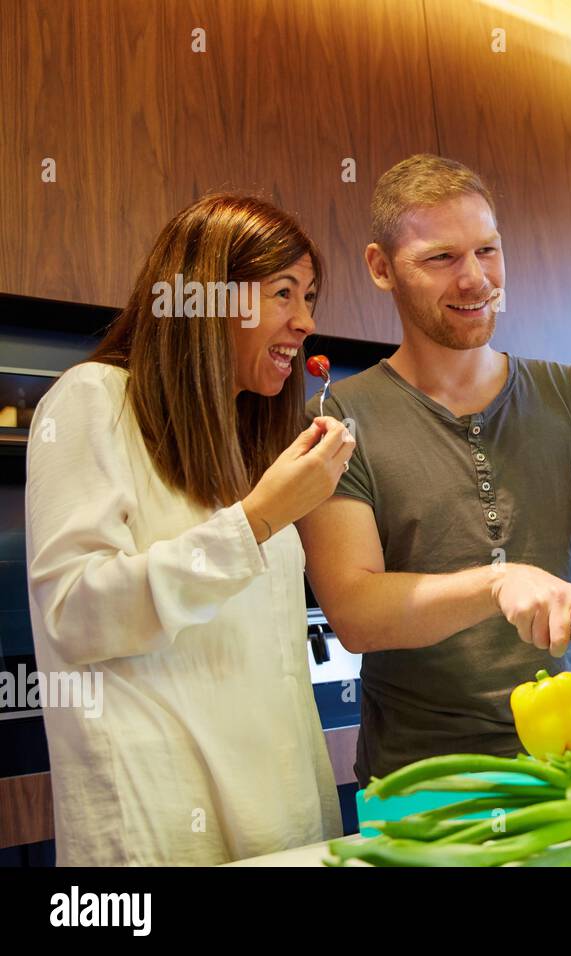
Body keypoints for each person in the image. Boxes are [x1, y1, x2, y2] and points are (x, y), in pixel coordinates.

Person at [297, 155, 571, 782]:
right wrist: (496, 583)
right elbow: (355, 610)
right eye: (440, 258)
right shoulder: (338, 418)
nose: (476, 279)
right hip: (430, 775)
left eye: (488, 251)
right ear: (381, 268)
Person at [26, 195, 354, 864]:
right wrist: (258, 519)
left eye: (310, 296)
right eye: (283, 293)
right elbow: (73, 612)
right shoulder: (93, 400)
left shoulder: (246, 445)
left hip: (283, 831)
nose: (306, 321)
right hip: (161, 834)